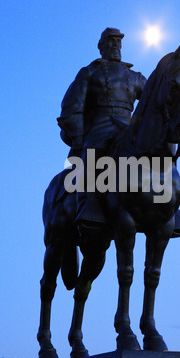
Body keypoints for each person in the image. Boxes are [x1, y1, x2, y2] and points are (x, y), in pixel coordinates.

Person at [57, 28, 147, 226]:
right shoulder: (90, 73)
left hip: (128, 130)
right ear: (101, 47)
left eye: (118, 42)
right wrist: (79, 138)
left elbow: (152, 100)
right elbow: (72, 106)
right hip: (100, 128)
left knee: (158, 153)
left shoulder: (135, 76)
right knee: (91, 155)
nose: (115, 45)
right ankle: (86, 204)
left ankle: (169, 205)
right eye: (110, 42)